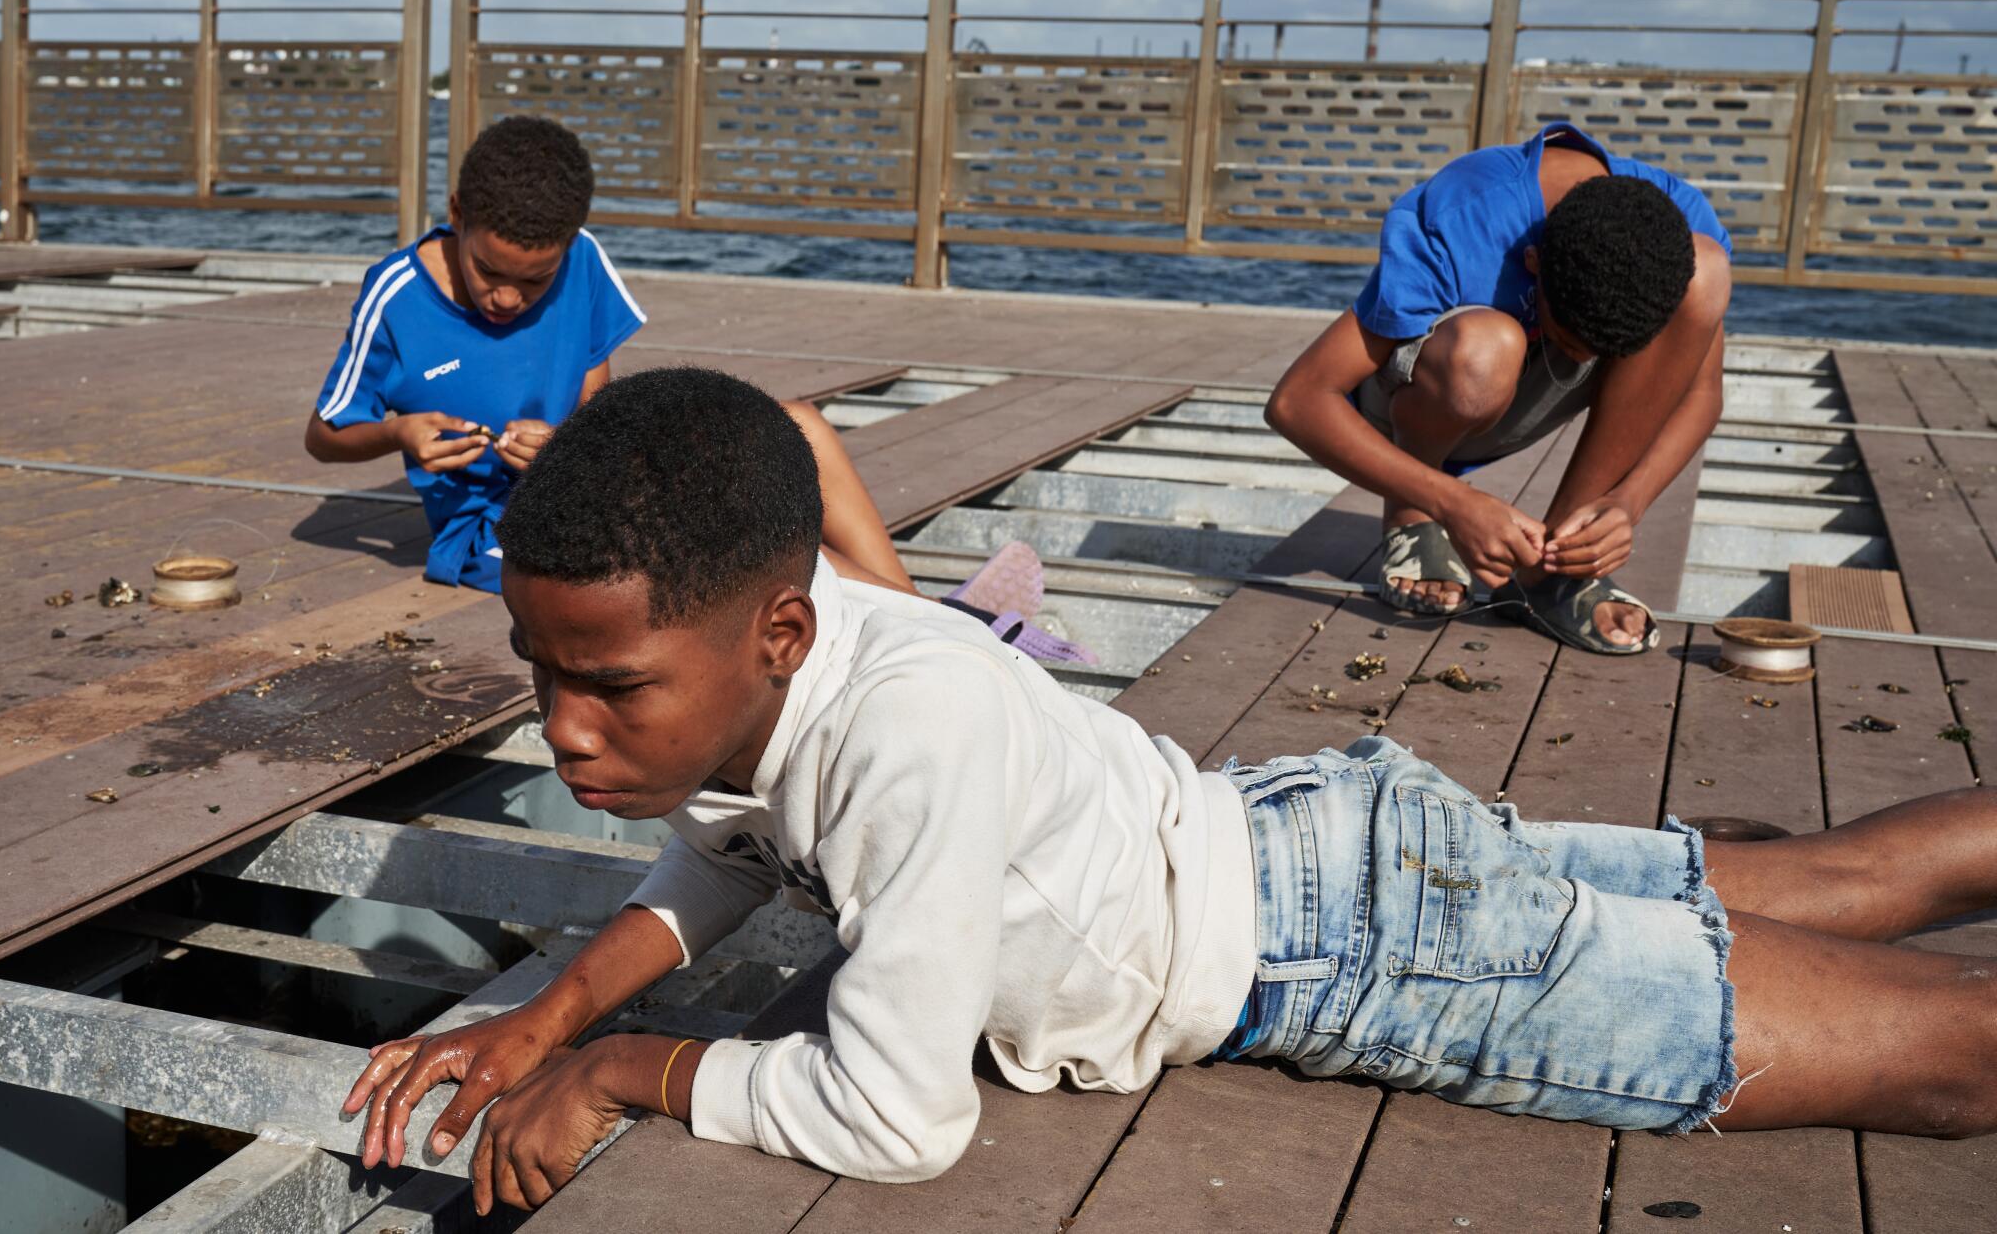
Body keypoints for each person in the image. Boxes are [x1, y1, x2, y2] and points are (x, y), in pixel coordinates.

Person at [346, 368, 1997, 1217]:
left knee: (1949, 1059)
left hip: (1367, 945)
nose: (560, 727)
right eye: (540, 666)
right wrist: (548, 1015)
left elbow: (897, 1120)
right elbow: (725, 847)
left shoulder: (901, 736)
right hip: (1317, 844)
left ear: (771, 628)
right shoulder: (789, 636)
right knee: (1831, 880)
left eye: (606, 683)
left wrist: (626, 1067)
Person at [300, 115, 914, 601]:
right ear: (458, 214)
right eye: (488, 272)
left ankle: (912, 606)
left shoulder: (583, 259)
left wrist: (564, 446)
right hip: (498, 529)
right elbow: (324, 436)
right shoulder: (396, 295)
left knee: (797, 423)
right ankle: (920, 623)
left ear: (567, 245)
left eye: (536, 281)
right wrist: (399, 432)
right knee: (713, 528)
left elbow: (597, 409)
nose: (507, 298)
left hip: (591, 483)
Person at [1263, 122, 1733, 655]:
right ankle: (1411, 514)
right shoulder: (1468, 217)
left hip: (1519, 406)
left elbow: (1701, 395)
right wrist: (1453, 503)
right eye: (1566, 339)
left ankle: (1554, 565)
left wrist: (1628, 502)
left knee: (1707, 270)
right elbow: (1296, 400)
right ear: (1533, 263)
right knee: (1486, 349)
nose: (1581, 364)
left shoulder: (1677, 222)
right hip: (1417, 404)